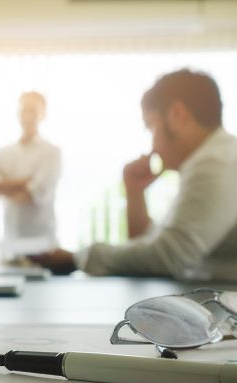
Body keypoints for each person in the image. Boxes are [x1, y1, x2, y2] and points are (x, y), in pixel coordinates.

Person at [32, 69, 237, 280]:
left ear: (178, 114)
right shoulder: (213, 159)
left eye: (151, 126)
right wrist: (134, 191)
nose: (153, 144)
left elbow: (168, 257)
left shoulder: (217, 162)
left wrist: (79, 257)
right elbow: (153, 246)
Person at [0, 91, 62, 261]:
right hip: (10, 248)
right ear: (18, 113)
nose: (28, 116)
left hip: (43, 250)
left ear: (43, 115)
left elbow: (32, 194)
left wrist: (2, 184)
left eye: (33, 111)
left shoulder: (51, 152)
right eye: (24, 110)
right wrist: (25, 181)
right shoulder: (4, 153)